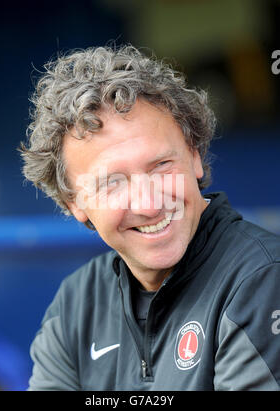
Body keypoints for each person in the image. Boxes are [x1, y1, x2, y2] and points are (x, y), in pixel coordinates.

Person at [19, 45, 280, 391]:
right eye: (112, 182)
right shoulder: (75, 305)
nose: (149, 203)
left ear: (195, 156)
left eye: (161, 166)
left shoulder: (263, 278)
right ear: (74, 203)